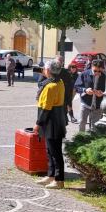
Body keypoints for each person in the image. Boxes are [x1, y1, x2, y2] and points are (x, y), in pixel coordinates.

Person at [34, 60, 67, 189]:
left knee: (55, 151)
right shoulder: (58, 81)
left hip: (51, 120)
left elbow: (46, 108)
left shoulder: (51, 86)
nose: (43, 70)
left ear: (48, 71)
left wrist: (38, 124)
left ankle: (59, 180)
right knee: (50, 150)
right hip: (55, 119)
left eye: (44, 69)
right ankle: (51, 175)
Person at [74, 60, 106, 132]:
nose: (97, 73)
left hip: (98, 105)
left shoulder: (104, 76)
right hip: (85, 103)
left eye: (99, 71)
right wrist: (85, 90)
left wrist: (102, 93)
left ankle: (92, 140)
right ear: (92, 67)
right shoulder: (84, 74)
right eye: (95, 71)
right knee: (82, 122)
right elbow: (76, 87)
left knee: (95, 125)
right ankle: (81, 138)